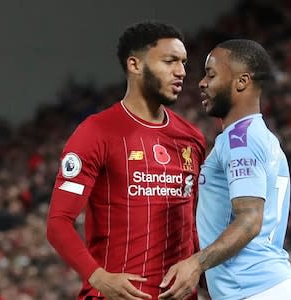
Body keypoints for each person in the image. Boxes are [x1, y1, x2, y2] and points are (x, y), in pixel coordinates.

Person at [47, 21, 206, 300]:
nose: (181, 72)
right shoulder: (95, 132)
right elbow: (58, 223)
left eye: (183, 62)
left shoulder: (191, 138)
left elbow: (191, 223)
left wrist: (201, 274)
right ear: (135, 65)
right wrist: (99, 277)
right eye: (170, 61)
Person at [159, 39, 291, 300]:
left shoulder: (240, 141)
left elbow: (249, 220)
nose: (202, 82)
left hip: (253, 290)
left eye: (211, 74)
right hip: (267, 286)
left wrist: (196, 263)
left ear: (241, 82)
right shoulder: (260, 137)